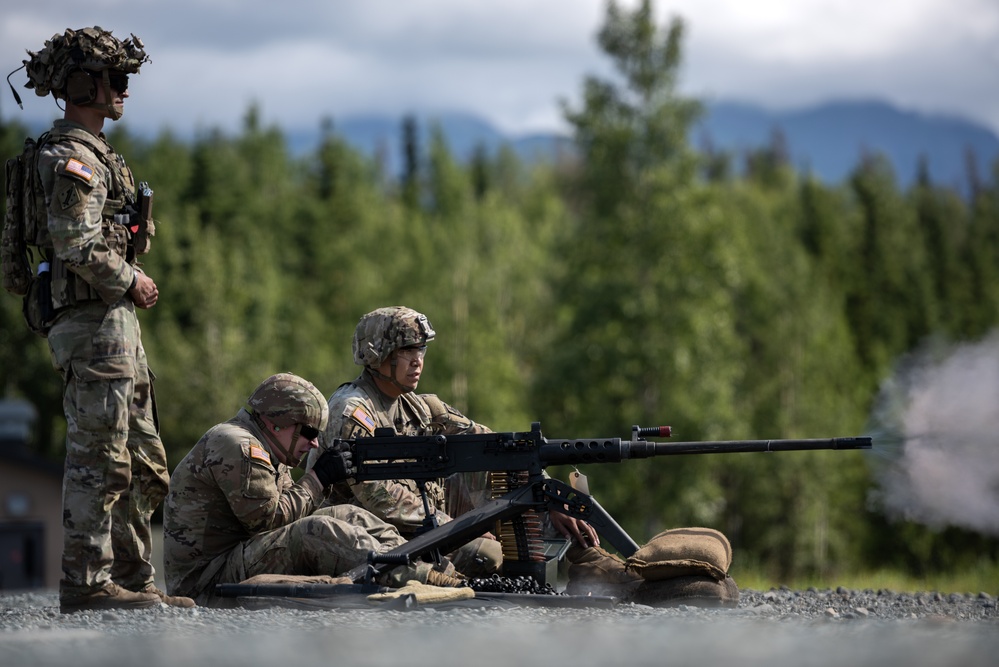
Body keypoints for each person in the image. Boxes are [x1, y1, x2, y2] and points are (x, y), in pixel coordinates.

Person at [15, 26, 191, 612]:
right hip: (93, 323)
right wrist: (132, 279)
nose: (123, 91)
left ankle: (134, 581)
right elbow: (74, 241)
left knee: (141, 458)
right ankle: (88, 584)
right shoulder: (69, 157)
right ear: (83, 85)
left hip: (111, 325)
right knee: (101, 455)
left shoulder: (95, 153)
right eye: (115, 80)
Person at [308, 306, 637, 592]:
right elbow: (378, 498)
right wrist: (458, 527)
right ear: (377, 354)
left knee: (508, 477)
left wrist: (548, 494)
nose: (418, 360)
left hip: (421, 524)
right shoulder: (352, 411)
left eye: (421, 350)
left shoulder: (419, 408)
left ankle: (591, 565)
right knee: (485, 554)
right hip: (364, 534)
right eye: (407, 350)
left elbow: (498, 446)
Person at [163, 373, 462, 607]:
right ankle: (425, 579)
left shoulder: (267, 446)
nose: (315, 443)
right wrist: (318, 478)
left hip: (236, 561)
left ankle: (438, 571)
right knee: (316, 529)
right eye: (307, 432)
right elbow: (267, 521)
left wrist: (323, 483)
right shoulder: (238, 445)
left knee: (348, 514)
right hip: (207, 583)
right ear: (275, 422)